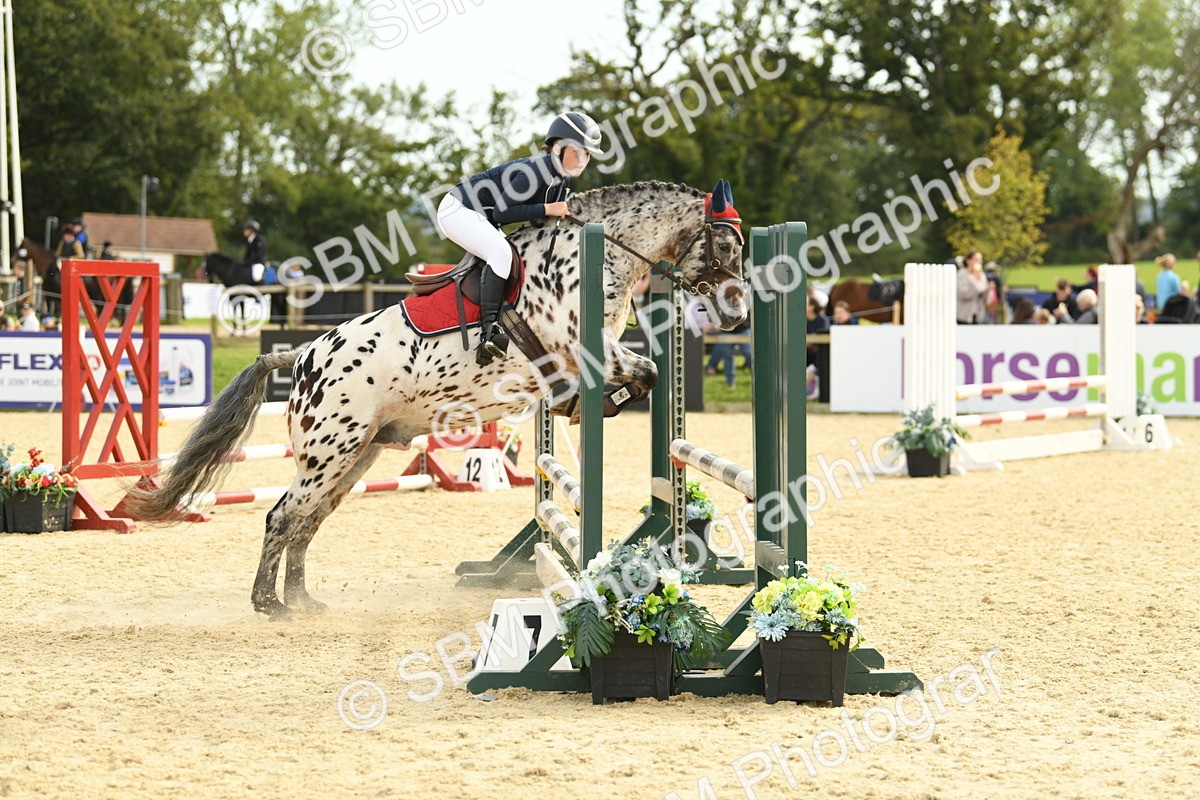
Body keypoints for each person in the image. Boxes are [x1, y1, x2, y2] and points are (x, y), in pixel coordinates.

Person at [438, 111, 602, 365]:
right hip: (459, 210)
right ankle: (489, 334)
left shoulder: (559, 179)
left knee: (517, 258)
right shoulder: (536, 170)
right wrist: (549, 209)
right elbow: (505, 210)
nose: (584, 159)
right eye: (579, 152)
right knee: (501, 254)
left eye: (588, 155)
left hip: (484, 218)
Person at [956, 250, 989, 324]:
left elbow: (984, 295)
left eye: (980, 259)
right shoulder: (962, 274)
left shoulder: (982, 275)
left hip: (978, 314)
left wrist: (988, 289)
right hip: (964, 315)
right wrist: (974, 279)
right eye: (976, 259)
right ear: (968, 260)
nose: (979, 262)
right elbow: (963, 294)